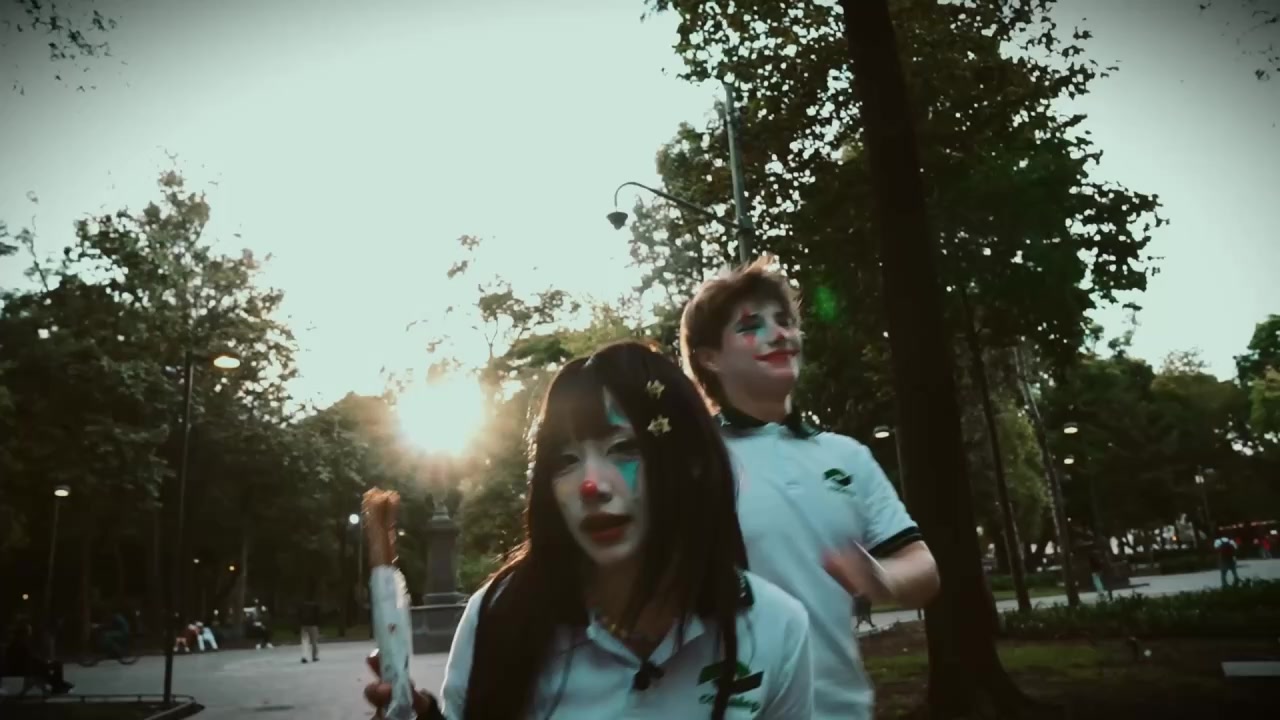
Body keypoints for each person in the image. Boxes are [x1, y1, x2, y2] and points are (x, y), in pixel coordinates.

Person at [366, 341, 814, 719]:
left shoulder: (774, 628)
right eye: (566, 460)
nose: (590, 485)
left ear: (692, 462)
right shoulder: (500, 616)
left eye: (623, 448)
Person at [679, 257, 940, 720]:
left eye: (785, 321)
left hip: (843, 710)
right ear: (709, 357)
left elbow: (924, 570)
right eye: (751, 326)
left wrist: (882, 578)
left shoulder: (848, 456)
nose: (779, 334)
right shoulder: (687, 464)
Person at [3, 617, 73, 696]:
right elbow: (26, 659)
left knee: (51, 666)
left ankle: (58, 685)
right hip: (24, 669)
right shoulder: (20, 644)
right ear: (24, 633)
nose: (30, 633)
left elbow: (28, 658)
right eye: (29, 631)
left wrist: (41, 662)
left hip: (27, 667)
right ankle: (58, 685)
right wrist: (43, 663)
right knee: (54, 666)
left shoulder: (18, 643)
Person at [298, 590, 322, 664]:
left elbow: (299, 615)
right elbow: (318, 616)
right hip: (313, 625)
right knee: (314, 642)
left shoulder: (302, 605)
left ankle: (304, 656)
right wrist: (318, 624)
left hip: (304, 625)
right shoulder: (316, 605)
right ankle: (314, 657)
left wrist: (300, 624)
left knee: (305, 641)